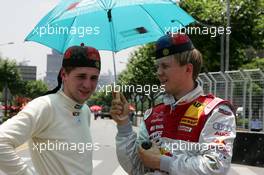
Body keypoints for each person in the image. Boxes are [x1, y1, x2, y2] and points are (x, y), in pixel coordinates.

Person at [110, 33, 236, 175]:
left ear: (188, 69)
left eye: (164, 66)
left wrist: (162, 162)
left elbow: (216, 165)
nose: (158, 72)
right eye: (157, 66)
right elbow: (137, 169)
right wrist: (124, 125)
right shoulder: (152, 115)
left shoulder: (215, 111)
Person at [0, 43, 101, 175]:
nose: (88, 84)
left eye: (94, 78)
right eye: (81, 76)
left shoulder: (85, 110)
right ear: (64, 74)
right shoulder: (45, 106)